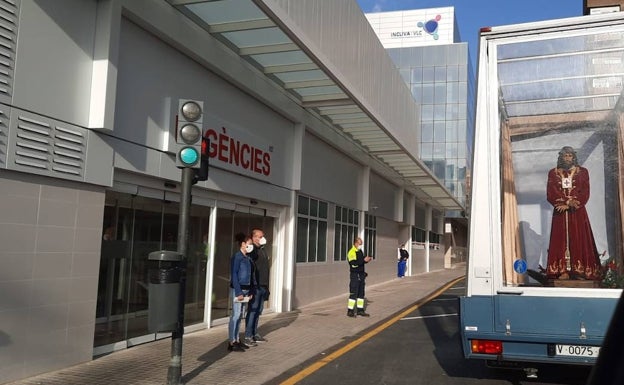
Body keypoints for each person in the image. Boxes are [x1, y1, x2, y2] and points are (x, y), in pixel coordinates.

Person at [545, 146, 601, 280]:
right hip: (560, 212)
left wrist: (572, 203)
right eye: (565, 155)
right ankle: (562, 271)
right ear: (561, 157)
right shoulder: (553, 173)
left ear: (574, 157)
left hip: (578, 212)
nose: (568, 158)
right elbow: (551, 192)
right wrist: (565, 202)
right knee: (560, 240)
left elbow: (585, 192)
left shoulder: (583, 172)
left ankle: (579, 270)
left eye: (570, 155)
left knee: (578, 237)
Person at [227, 233, 256, 352]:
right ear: (243, 244)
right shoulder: (237, 257)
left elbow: (251, 276)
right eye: (249, 244)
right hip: (237, 289)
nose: (250, 246)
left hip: (246, 290)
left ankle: (237, 339)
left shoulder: (248, 258)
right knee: (236, 315)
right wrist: (238, 291)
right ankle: (231, 341)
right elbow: (234, 274)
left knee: (241, 316)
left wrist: (251, 290)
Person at [244, 228, 271, 346]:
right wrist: (251, 246)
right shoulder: (253, 250)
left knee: (258, 311)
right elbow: (251, 255)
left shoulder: (262, 249)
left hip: (263, 285)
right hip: (256, 286)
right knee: (252, 311)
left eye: (262, 236)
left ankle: (255, 333)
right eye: (260, 237)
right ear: (254, 237)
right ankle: (248, 335)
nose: (262, 238)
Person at [346, 237, 372, 317]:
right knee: (353, 293)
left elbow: (361, 262)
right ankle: (350, 311)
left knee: (361, 294)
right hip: (355, 275)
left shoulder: (359, 251)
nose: (361, 246)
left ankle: (360, 310)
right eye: (360, 244)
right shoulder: (351, 252)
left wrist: (366, 260)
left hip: (361, 274)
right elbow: (353, 264)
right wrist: (364, 261)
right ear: (356, 243)